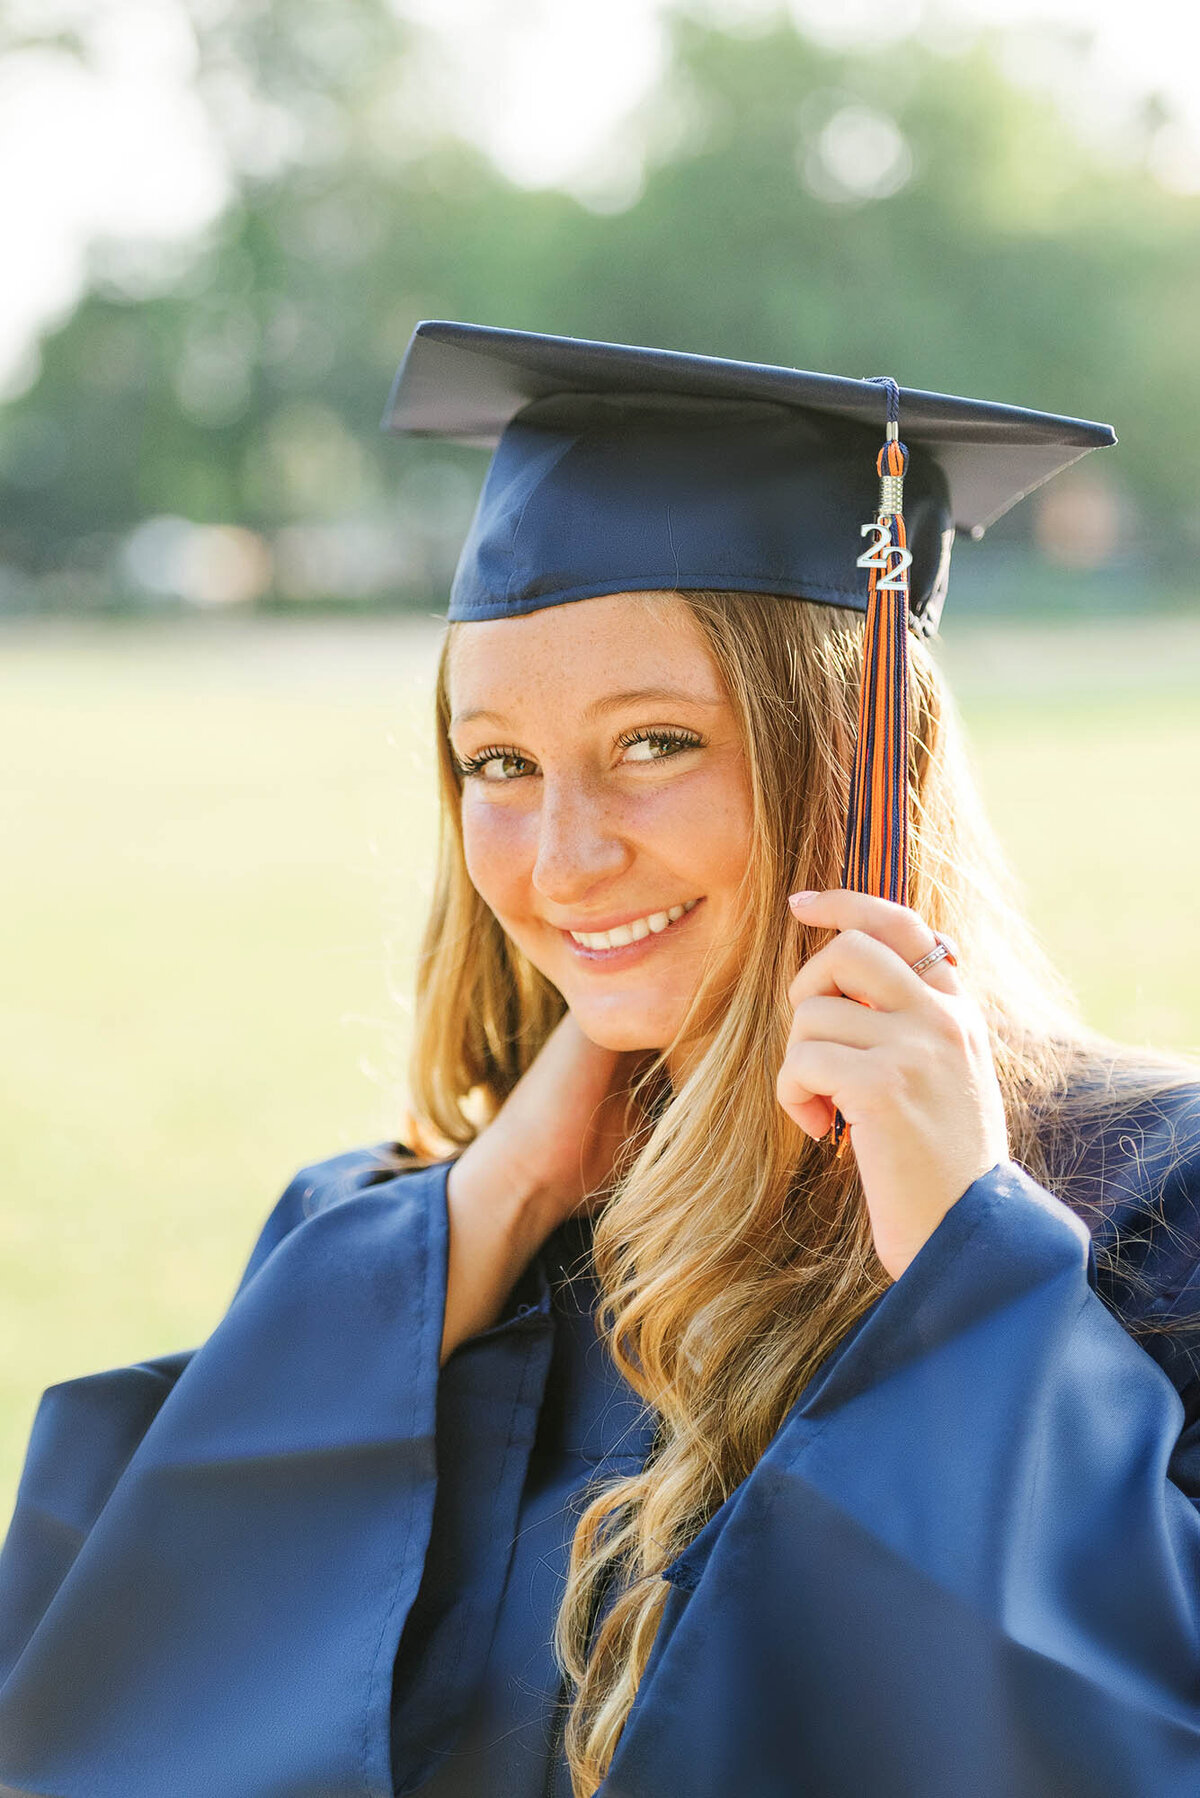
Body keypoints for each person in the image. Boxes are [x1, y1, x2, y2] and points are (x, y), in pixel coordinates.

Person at [2, 322, 1199, 1798]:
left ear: (861, 750)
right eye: (497, 763)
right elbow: (100, 1703)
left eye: (652, 743)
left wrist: (960, 1266)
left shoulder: (1146, 1213)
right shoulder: (405, 1245)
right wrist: (479, 1209)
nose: (564, 859)